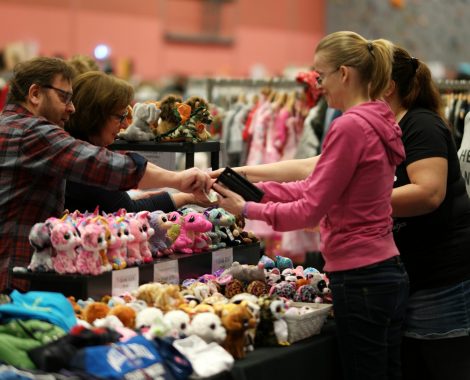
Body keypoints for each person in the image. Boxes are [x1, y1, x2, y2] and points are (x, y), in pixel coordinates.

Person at [214, 43, 470, 379]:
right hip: (389, 269)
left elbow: (311, 206)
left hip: (386, 272)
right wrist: (252, 183)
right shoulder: (381, 124)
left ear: (347, 74)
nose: (318, 85)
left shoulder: (362, 126)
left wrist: (247, 206)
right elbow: (318, 178)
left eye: (321, 75)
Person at [0, 56, 211, 292]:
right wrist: (179, 180)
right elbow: (106, 165)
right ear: (35, 94)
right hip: (11, 280)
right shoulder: (33, 132)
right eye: (64, 97)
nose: (71, 107)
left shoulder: (10, 126)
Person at [384, 46, 470, 380]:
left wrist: (354, 201)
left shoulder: (421, 125)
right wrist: (248, 175)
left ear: (387, 85)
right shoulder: (386, 126)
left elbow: (429, 193)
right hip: (413, 276)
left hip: (441, 279)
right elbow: (320, 164)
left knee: (443, 365)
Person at [64, 70, 213, 214]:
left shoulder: (82, 147)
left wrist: (179, 181)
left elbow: (126, 167)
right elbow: (127, 208)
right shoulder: (81, 157)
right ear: (95, 116)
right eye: (120, 117)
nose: (124, 125)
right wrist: (185, 193)